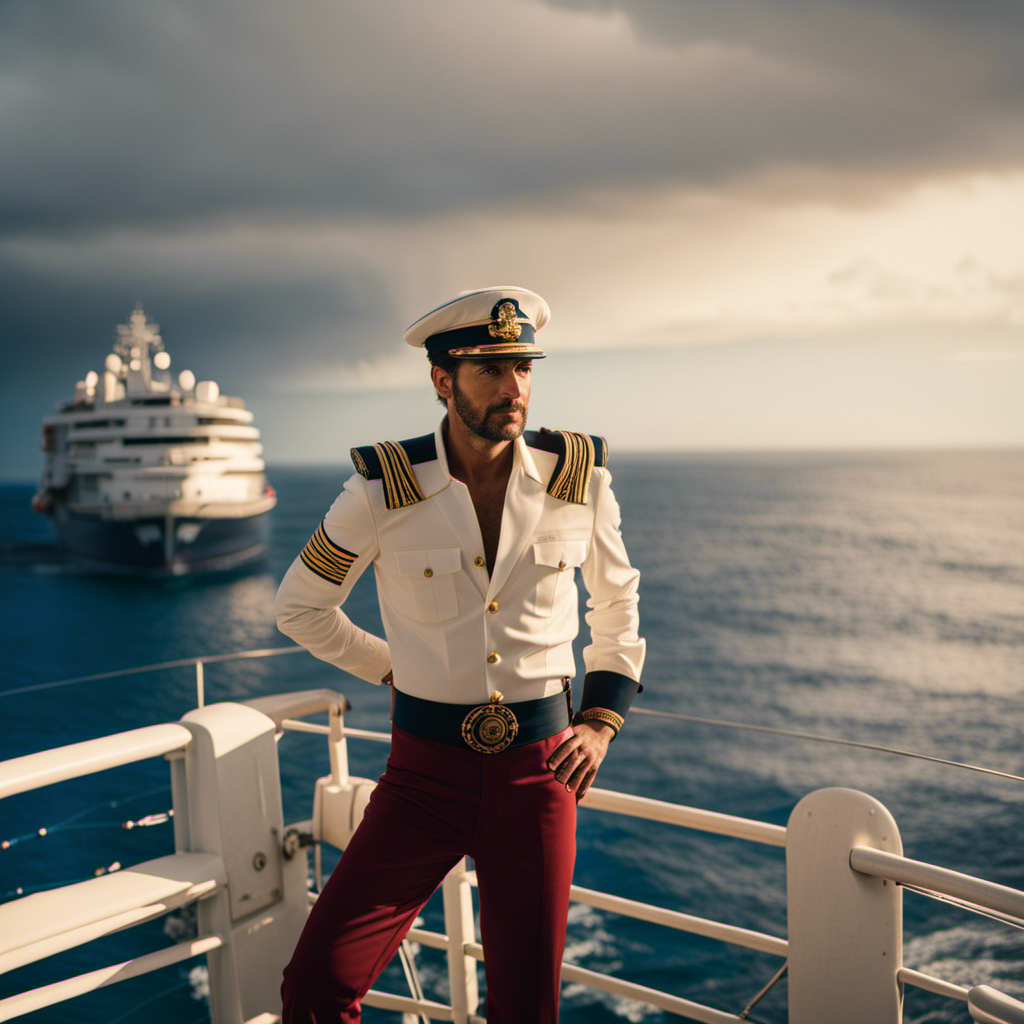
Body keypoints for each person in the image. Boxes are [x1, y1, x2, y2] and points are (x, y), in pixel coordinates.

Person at [275, 286, 645, 1024]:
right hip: (423, 779)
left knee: (526, 1008)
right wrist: (394, 668)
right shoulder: (384, 488)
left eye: (524, 368)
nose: (515, 389)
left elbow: (619, 603)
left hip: (540, 774)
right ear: (442, 380)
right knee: (316, 985)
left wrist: (600, 722)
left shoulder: (578, 479)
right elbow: (300, 609)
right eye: (491, 369)